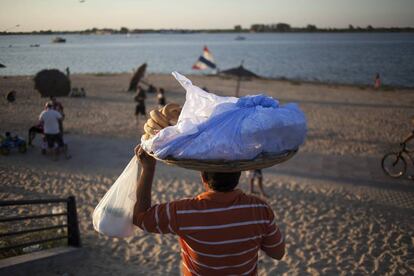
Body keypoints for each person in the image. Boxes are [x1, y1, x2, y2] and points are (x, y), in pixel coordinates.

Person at [133, 146, 285, 275]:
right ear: (238, 174)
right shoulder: (260, 209)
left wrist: (148, 168)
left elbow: (141, 217)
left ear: (203, 177)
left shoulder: (183, 212)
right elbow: (278, 253)